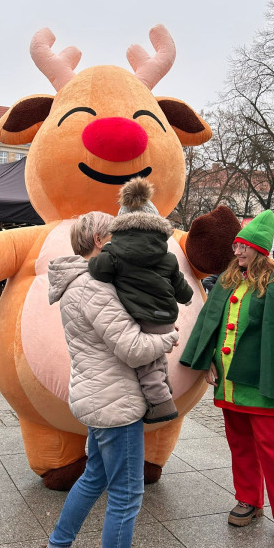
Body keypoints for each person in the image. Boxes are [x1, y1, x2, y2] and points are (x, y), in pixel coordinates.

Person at [35, 211, 178, 548]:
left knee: (94, 475)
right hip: (115, 405)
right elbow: (133, 348)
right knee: (126, 497)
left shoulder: (82, 283)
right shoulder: (94, 287)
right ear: (99, 239)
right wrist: (169, 339)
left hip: (98, 396)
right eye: (115, 235)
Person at [180, 210, 274, 548]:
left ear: (259, 248)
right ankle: (248, 499)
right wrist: (206, 362)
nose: (237, 252)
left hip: (263, 386)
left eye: (243, 246)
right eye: (235, 246)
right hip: (228, 383)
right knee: (240, 445)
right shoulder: (227, 280)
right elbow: (211, 324)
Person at [87, 178, 193, 423]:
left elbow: (98, 271)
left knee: (147, 365)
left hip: (140, 317)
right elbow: (180, 286)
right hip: (166, 318)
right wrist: (187, 299)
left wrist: (100, 253)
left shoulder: (114, 252)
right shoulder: (167, 257)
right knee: (157, 360)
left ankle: (160, 404)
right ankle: (165, 392)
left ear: (121, 227)